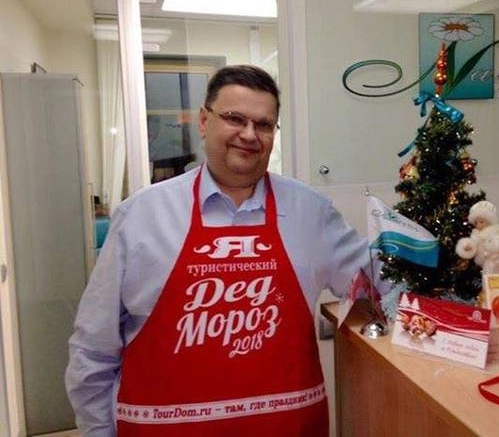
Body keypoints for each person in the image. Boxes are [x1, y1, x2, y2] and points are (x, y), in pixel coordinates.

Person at [66, 65, 374, 437]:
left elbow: (374, 281)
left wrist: (423, 251)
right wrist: (99, 431)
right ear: (203, 120)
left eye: (263, 124)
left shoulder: (311, 213)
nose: (249, 135)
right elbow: (93, 346)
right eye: (234, 119)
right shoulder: (142, 215)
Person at [455, 200, 499, 274]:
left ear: (489, 221)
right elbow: (473, 246)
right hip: (488, 265)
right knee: (489, 278)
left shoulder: (498, 233)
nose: (478, 225)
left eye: (481, 222)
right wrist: (468, 247)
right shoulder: (476, 237)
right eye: (476, 223)